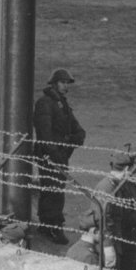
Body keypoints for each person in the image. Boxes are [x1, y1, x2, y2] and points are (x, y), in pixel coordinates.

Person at [32, 68, 86, 244]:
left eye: (67, 83)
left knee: (56, 190)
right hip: (49, 156)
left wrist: (70, 140)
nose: (65, 86)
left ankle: (50, 225)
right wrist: (55, 152)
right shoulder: (45, 103)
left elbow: (78, 131)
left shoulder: (62, 105)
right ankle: (51, 226)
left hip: (61, 154)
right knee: (52, 190)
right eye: (63, 82)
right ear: (54, 83)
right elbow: (44, 134)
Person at [95, 150, 136, 270]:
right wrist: (108, 247)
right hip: (118, 243)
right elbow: (105, 220)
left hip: (129, 241)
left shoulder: (121, 183)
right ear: (126, 170)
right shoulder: (108, 188)